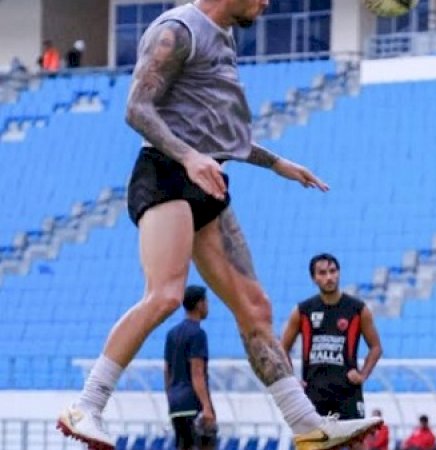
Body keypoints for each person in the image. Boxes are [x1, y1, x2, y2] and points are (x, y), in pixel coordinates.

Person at [55, 1, 381, 449]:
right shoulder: (177, 30)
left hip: (207, 182)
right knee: (167, 295)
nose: (266, 3)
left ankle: (306, 424)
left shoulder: (225, 35)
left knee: (256, 306)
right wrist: (188, 157)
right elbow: (136, 108)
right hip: (167, 173)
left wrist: (275, 162)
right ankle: (86, 406)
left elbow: (217, 130)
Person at [281, 253, 383, 420]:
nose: (329, 277)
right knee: (315, 444)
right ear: (314, 278)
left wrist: (363, 374)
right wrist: (292, 380)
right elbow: (282, 349)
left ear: (339, 273)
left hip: (347, 392)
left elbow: (376, 347)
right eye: (322, 273)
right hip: (314, 393)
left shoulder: (357, 309)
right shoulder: (303, 311)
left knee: (356, 443)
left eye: (332, 271)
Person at [164, 285, 217, 450]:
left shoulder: (171, 334)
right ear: (200, 304)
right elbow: (197, 373)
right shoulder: (198, 334)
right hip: (193, 403)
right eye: (206, 301)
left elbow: (167, 370)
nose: (208, 305)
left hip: (175, 404)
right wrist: (207, 407)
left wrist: (171, 396)